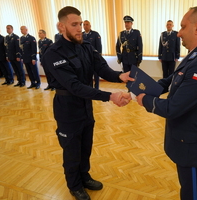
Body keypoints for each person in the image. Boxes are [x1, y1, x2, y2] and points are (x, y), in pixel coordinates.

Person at [41, 6, 133, 200]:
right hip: (67, 108)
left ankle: (85, 176)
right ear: (61, 26)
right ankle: (74, 185)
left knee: (85, 146)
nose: (79, 29)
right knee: (72, 149)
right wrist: (109, 96)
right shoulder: (53, 53)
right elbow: (74, 86)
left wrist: (120, 76)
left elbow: (102, 69)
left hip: (85, 106)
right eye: (74, 25)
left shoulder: (86, 46)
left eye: (80, 24)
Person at [136, 6, 197, 200]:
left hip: (192, 146)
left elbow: (173, 107)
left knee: (192, 194)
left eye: (183, 26)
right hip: (187, 139)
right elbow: (172, 80)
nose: (179, 32)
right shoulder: (196, 54)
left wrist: (144, 100)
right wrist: (142, 87)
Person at [83, 20, 102, 89]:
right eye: (84, 24)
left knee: (96, 74)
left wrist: (98, 57)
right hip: (85, 58)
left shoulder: (95, 34)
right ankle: (90, 88)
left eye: (87, 24)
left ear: (90, 26)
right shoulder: (81, 35)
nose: (85, 26)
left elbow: (99, 47)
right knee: (88, 74)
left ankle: (96, 88)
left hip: (94, 57)